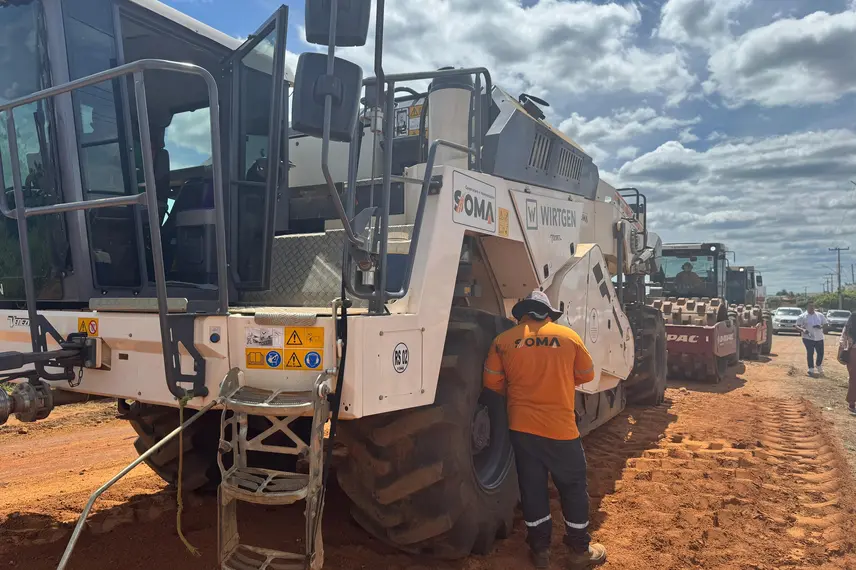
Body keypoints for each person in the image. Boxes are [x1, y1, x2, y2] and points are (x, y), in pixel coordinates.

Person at [482, 290, 606, 569]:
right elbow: (586, 375)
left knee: (533, 488)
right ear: (548, 313)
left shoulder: (502, 341)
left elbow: (492, 383)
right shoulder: (568, 337)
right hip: (561, 429)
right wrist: (558, 378)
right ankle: (578, 551)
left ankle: (540, 551)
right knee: (573, 486)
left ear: (522, 314)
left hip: (522, 429)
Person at [796, 302, 828, 376]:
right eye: (810, 307)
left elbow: (826, 324)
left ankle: (818, 365)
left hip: (819, 337)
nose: (811, 308)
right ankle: (811, 368)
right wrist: (803, 330)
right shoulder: (802, 316)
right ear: (807, 307)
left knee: (820, 353)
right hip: (808, 337)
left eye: (813, 307)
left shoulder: (820, 315)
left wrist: (821, 327)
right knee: (810, 352)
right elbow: (797, 326)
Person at [839, 313, 856, 415]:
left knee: (853, 379)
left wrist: (841, 351)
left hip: (852, 354)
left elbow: (842, 340)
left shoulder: (848, 328)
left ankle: (851, 403)